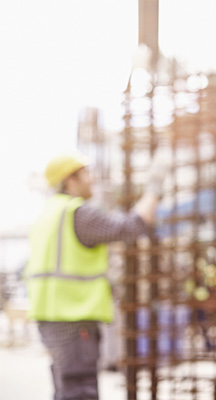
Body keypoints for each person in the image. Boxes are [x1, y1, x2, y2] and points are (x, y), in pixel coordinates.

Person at [25, 149, 167, 400]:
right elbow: (131, 226)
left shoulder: (47, 215)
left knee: (66, 389)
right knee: (80, 392)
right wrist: (155, 187)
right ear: (71, 179)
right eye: (86, 173)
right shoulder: (77, 213)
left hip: (50, 318)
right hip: (74, 318)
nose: (91, 179)